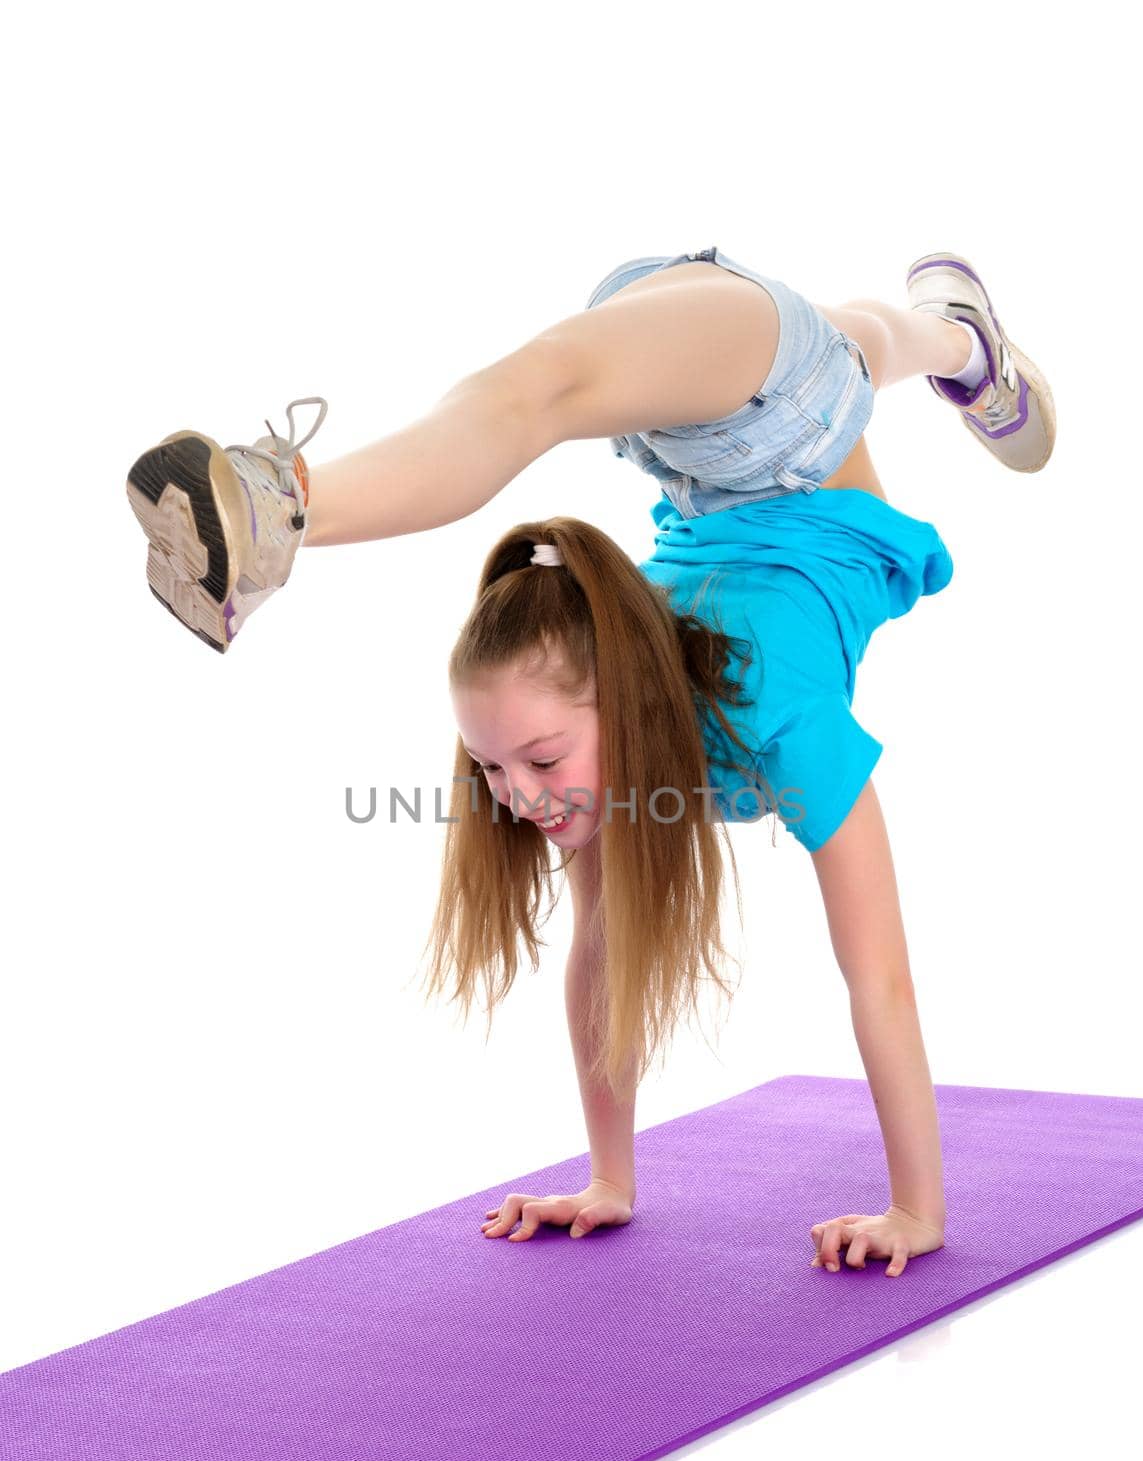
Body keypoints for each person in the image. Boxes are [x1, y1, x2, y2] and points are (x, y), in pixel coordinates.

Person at [124, 246, 1055, 1278]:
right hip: (760, 423)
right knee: (851, 347)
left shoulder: (722, 716)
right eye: (491, 766)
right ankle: (962, 338)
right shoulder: (703, 739)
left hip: (722, 421)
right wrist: (612, 1181)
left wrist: (914, 1211)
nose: (516, 796)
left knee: (548, 391)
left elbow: (878, 977)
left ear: (616, 686)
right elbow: (604, 959)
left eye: (535, 757)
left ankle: (278, 507)